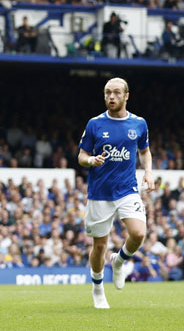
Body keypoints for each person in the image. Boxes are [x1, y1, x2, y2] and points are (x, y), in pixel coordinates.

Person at [77, 78, 153, 309]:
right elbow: (81, 156)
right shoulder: (94, 124)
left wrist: (148, 173)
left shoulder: (139, 124)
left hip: (127, 189)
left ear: (126, 96)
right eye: (107, 93)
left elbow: (145, 151)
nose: (111, 97)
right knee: (99, 245)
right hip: (100, 192)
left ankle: (118, 261)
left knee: (138, 233)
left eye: (116, 93)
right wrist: (91, 160)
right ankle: (98, 289)